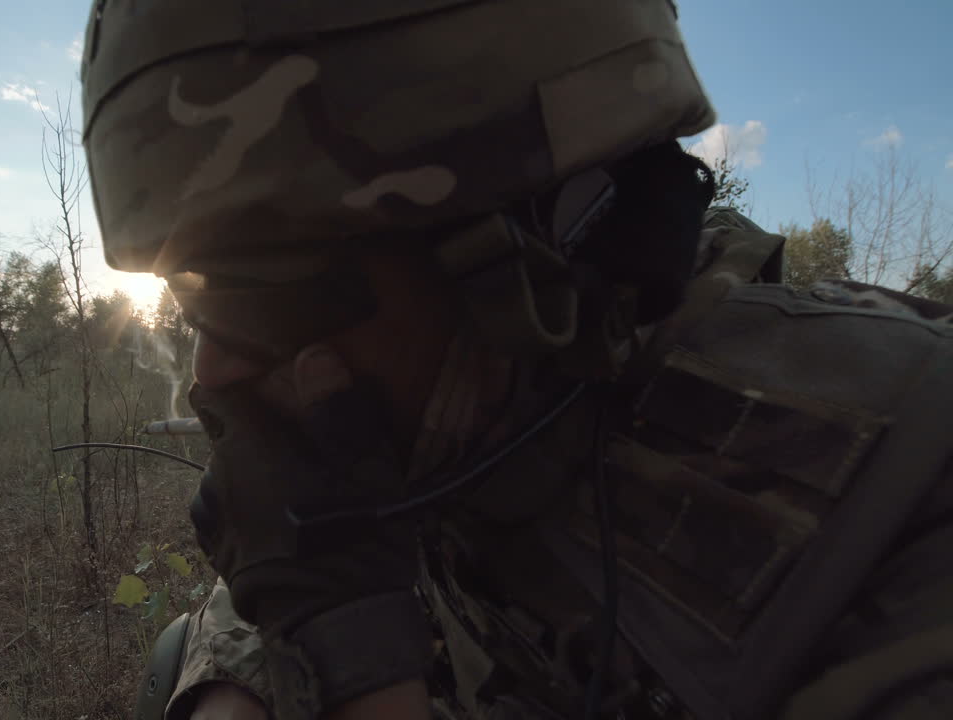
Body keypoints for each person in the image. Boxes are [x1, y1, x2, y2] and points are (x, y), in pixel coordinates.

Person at [77, 1, 953, 718]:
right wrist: (243, 670)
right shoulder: (476, 402)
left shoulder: (904, 508)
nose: (212, 374)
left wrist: (356, 678)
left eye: (258, 302)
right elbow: (325, 553)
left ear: (534, 248)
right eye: (193, 301)